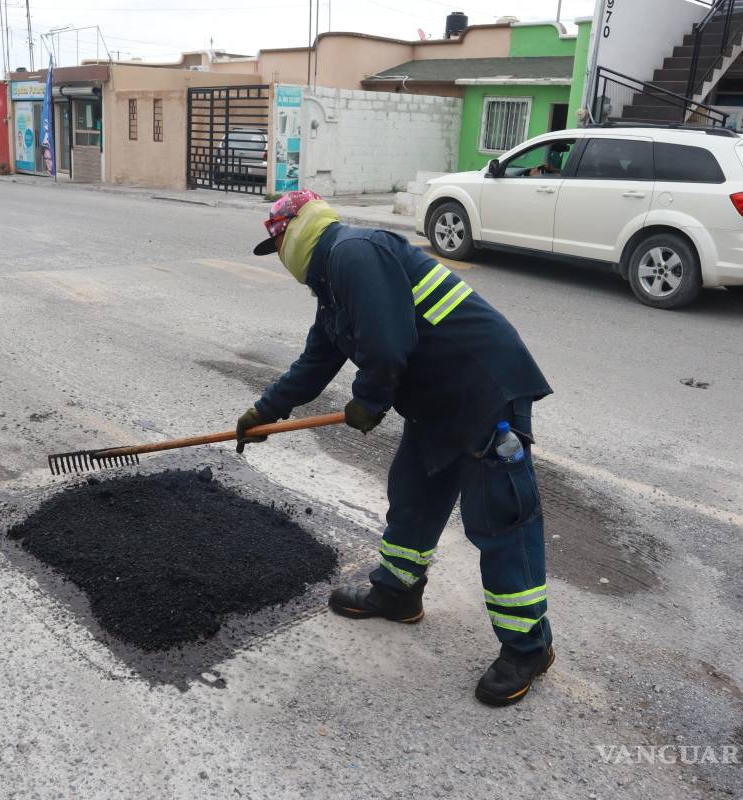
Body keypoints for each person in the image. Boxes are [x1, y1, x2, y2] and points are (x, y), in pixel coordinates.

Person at [236, 190, 555, 706]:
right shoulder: (334, 286)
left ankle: (528, 646)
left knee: (500, 520)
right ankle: (399, 590)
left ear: (291, 232)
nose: (278, 259)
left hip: (482, 390)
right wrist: (264, 411)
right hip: (436, 400)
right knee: (413, 493)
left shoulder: (354, 252)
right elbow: (317, 360)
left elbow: (386, 347)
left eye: (275, 245)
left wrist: (369, 402)